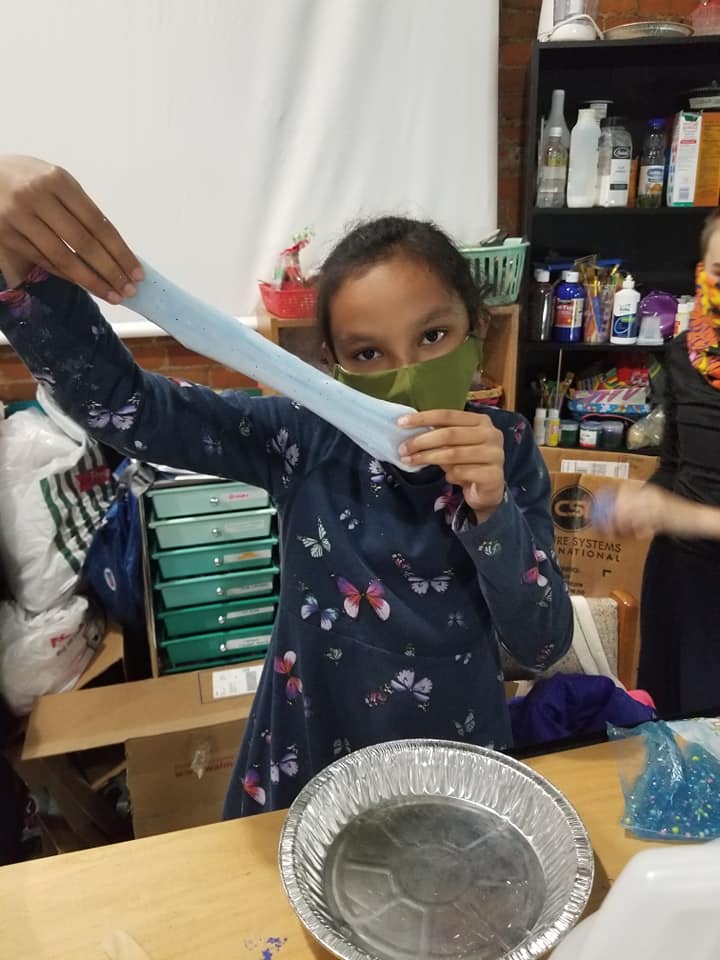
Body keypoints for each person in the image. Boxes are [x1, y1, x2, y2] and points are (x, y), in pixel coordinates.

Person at [0, 156, 571, 816]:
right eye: (367, 354)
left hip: (451, 769)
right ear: (329, 367)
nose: (407, 377)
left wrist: (493, 511)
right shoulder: (306, 437)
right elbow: (125, 408)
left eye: (434, 335)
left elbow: (544, 644)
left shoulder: (511, 451)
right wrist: (24, 269)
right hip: (309, 757)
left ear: (478, 327)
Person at [597, 207, 720, 718]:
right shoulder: (686, 355)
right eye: (718, 274)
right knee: (672, 728)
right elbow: (676, 463)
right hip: (680, 579)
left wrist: (676, 514)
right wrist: (643, 502)